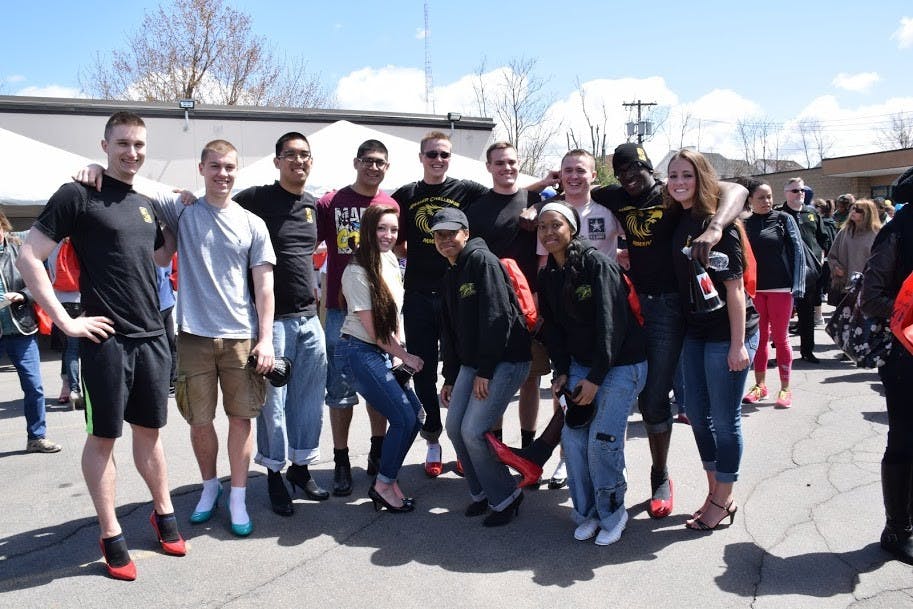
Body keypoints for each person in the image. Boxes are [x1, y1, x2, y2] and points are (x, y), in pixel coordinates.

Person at [17, 111, 184, 581]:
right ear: (105, 144)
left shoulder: (145, 201)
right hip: (106, 342)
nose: (132, 152)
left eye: (139, 145)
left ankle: (163, 512)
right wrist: (66, 321)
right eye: (123, 143)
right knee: (105, 437)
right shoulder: (78, 194)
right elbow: (31, 256)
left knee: (149, 434)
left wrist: (172, 225)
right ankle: (111, 532)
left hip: (152, 337)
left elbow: (154, 257)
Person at [586, 143, 747, 518]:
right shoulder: (616, 194)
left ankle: (661, 476)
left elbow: (735, 190)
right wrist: (536, 199)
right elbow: (574, 188)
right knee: (620, 386)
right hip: (631, 301)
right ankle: (605, 473)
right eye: (621, 172)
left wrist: (718, 226)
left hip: (672, 307)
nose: (628, 178)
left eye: (635, 171)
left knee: (658, 396)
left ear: (649, 170)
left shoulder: (671, 194)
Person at [151, 139, 276, 537]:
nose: (223, 174)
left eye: (229, 167)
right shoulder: (183, 210)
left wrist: (266, 338)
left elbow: (264, 287)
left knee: (241, 419)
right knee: (199, 421)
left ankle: (237, 495)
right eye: (215, 166)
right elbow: (133, 182)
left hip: (241, 336)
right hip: (193, 337)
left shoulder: (252, 222)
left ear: (237, 171)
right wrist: (94, 172)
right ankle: (210, 488)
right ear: (201, 167)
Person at [536, 201, 646, 545]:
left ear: (572, 229)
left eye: (556, 225)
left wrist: (596, 378)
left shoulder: (597, 265)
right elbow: (553, 330)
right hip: (582, 365)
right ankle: (587, 513)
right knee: (573, 441)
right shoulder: (548, 275)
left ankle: (613, 512)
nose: (549, 232)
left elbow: (611, 327)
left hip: (620, 364)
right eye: (542, 227)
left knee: (602, 443)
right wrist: (563, 371)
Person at [234, 132, 330, 512]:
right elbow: (217, 206)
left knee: (308, 400)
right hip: (271, 323)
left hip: (310, 319)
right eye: (290, 155)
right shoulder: (256, 199)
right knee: (273, 403)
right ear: (277, 161)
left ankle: (300, 468)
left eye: (305, 155)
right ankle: (274, 474)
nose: (298, 161)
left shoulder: (313, 206)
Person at [666, 149, 759, 532]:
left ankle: (722, 499)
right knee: (697, 418)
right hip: (695, 332)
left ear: (702, 178)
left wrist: (738, 346)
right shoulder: (679, 218)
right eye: (673, 175)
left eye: (686, 175)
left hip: (728, 335)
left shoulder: (718, 224)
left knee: (724, 420)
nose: (678, 182)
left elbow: (735, 291)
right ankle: (716, 494)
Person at [435, 207, 532, 527]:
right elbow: (450, 333)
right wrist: (449, 377)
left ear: (465, 233)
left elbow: (498, 318)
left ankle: (507, 496)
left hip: (504, 360)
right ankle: (481, 492)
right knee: (454, 429)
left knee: (473, 431)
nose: (446, 239)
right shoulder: (450, 272)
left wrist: (486, 372)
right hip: (472, 363)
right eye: (439, 234)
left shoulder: (481, 261)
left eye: (452, 233)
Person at [316, 139, 399, 496]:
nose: (374, 167)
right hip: (340, 310)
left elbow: (399, 252)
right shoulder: (331, 202)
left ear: (387, 167)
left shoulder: (390, 205)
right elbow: (309, 244)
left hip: (379, 308)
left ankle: (378, 454)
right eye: (367, 161)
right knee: (340, 388)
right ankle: (341, 460)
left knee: (378, 385)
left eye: (380, 162)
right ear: (356, 162)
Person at [338, 205, 423, 512]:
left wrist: (399, 353)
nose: (388, 236)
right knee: (402, 417)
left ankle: (387, 478)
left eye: (394, 230)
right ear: (368, 230)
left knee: (415, 416)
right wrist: (406, 356)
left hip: (384, 351)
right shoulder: (356, 271)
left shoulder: (390, 259)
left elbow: (395, 312)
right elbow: (374, 331)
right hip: (358, 351)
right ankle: (383, 484)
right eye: (381, 229)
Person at [466, 142, 546, 452]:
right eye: (499, 163)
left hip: (531, 304)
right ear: (489, 167)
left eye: (511, 162)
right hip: (492, 307)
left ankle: (527, 447)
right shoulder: (476, 209)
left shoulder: (537, 200)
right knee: (496, 380)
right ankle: (495, 448)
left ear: (519, 163)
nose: (506, 168)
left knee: (531, 379)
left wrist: (539, 204)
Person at [862, 172, 913, 565]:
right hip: (904, 355)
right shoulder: (897, 232)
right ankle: (897, 530)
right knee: (904, 442)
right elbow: (871, 297)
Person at [742, 178, 805, 408]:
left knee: (781, 338)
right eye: (761, 197)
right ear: (750, 200)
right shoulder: (744, 223)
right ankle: (760, 386)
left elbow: (798, 251)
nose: (767, 201)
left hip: (781, 288)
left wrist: (798, 286)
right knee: (758, 341)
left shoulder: (783, 219)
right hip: (754, 290)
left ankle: (785, 389)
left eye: (769, 196)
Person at [1, 212, 60, 453]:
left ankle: (36, 436)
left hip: (20, 328)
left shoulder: (20, 247)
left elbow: (41, 282)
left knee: (33, 385)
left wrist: (23, 295)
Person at [776, 177, 829, 363]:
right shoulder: (779, 215)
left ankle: (807, 351)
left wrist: (821, 260)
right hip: (785, 272)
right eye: (795, 191)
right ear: (786, 193)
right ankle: (780, 353)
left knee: (807, 314)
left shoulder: (812, 213)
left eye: (802, 190)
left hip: (809, 273)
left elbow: (823, 239)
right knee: (782, 315)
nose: (800, 194)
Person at [47, 238, 83, 408]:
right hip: (83, 299)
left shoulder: (51, 247)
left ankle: (72, 389)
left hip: (61, 302)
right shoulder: (81, 241)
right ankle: (87, 388)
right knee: (89, 348)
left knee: (70, 349)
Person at [828, 199, 882, 301]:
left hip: (868, 287)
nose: (853, 212)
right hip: (845, 286)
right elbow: (832, 256)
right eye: (853, 208)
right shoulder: (844, 231)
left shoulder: (877, 233)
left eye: (858, 210)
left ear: (868, 214)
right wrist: (836, 267)